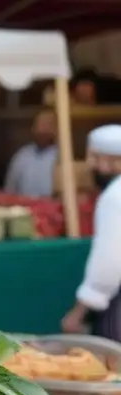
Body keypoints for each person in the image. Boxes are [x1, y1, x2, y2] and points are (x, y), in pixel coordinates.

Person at [61, 125, 121, 337]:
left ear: (113, 161)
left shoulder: (115, 197)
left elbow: (109, 264)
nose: (89, 165)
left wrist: (78, 312)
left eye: (94, 158)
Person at [4, 109, 57, 199]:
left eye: (48, 125)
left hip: (52, 209)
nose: (43, 129)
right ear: (33, 128)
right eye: (40, 124)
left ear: (56, 129)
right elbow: (9, 191)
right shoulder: (21, 156)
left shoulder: (62, 157)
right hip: (23, 209)